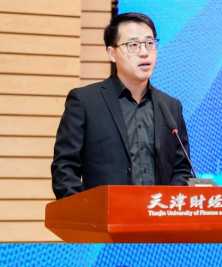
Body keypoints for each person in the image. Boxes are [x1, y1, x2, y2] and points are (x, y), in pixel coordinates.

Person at [51, 12, 193, 199]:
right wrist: (85, 209)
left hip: (158, 214)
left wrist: (168, 205)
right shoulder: (85, 101)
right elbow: (65, 168)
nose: (144, 52)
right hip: (103, 215)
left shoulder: (170, 106)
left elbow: (181, 168)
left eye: (149, 43)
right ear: (112, 53)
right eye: (133, 45)